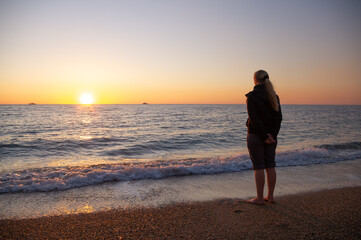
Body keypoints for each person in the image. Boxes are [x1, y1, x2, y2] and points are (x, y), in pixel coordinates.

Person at [245, 70, 282, 205]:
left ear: (255, 80)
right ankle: (270, 197)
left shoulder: (252, 96)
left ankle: (260, 198)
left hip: (256, 135)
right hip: (272, 137)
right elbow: (278, 119)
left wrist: (264, 136)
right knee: (270, 165)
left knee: (259, 167)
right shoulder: (274, 96)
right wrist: (272, 135)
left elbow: (254, 119)